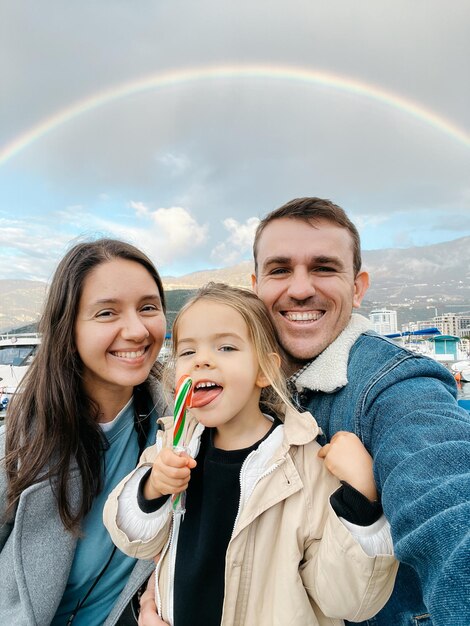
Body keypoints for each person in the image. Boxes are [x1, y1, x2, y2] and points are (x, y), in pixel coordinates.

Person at [104, 283, 398, 626]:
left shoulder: (306, 464)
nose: (201, 360)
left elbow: (346, 601)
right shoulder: (171, 446)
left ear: (264, 370)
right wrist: (152, 488)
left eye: (226, 347)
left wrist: (362, 499)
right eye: (186, 352)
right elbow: (133, 540)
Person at [251, 197, 470, 626]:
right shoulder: (239, 386)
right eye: (280, 269)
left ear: (358, 286)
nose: (299, 288)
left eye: (324, 268)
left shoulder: (394, 386)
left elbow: (444, 495)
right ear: (255, 284)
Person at [0, 238, 169, 625]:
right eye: (107, 313)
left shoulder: (182, 427)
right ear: (68, 327)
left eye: (148, 308)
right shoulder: (19, 444)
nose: (137, 330)